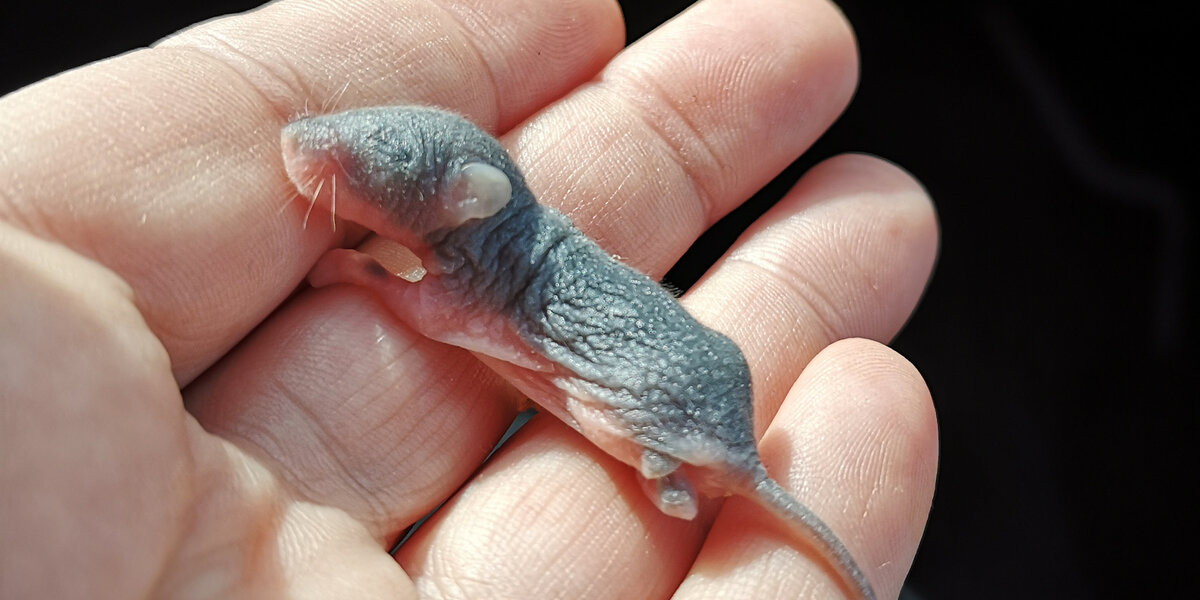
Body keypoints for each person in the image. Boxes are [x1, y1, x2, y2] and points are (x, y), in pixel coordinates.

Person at [0, 0, 938, 597]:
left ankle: (672, 459)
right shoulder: (482, 222)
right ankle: (686, 454)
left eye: (368, 170)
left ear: (459, 207)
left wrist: (361, 276)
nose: (321, 149)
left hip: (685, 414)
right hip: (712, 379)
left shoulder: (470, 277)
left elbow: (436, 313)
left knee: (632, 400)